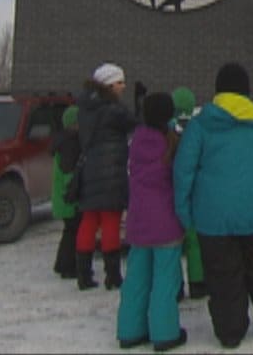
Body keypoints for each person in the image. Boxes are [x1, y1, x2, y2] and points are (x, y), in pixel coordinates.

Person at [173, 62, 253, 348]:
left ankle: (230, 331)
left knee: (223, 277)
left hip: (212, 217)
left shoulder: (201, 124)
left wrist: (184, 212)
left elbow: (184, 171)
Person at [116, 92, 187, 352]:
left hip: (138, 222)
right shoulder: (172, 143)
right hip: (166, 223)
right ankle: (165, 333)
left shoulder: (136, 142)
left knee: (136, 278)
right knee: (165, 282)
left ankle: (130, 330)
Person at [74, 63, 136, 291]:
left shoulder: (84, 108)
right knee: (110, 221)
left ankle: (83, 274)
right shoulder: (113, 109)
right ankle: (113, 276)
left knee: (89, 220)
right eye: (120, 82)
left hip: (90, 170)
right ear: (109, 84)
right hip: (111, 172)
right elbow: (134, 122)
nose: (123, 86)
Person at [168, 86, 206, 301]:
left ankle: (175, 286)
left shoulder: (167, 129)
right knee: (194, 240)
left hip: (168, 191)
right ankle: (198, 282)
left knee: (173, 241)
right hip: (194, 191)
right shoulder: (197, 127)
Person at [49, 104, 81, 280]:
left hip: (61, 197)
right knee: (72, 232)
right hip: (68, 198)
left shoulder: (61, 141)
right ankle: (68, 266)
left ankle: (62, 263)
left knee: (69, 231)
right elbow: (69, 172)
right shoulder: (70, 144)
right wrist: (74, 193)